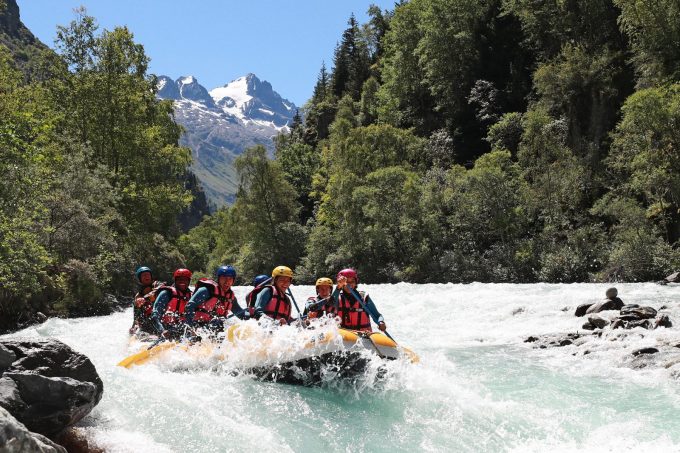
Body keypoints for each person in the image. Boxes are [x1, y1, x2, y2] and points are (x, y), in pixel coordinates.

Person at [184, 265, 248, 332]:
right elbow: (190, 306)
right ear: (218, 278)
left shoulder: (231, 298)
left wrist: (254, 315)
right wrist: (191, 327)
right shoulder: (207, 290)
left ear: (233, 281)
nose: (227, 282)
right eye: (224, 278)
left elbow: (241, 315)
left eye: (230, 279)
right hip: (199, 328)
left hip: (217, 330)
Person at [332, 268, 386, 332]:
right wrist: (338, 288)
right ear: (341, 284)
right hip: (344, 334)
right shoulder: (338, 297)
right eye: (346, 282)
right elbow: (329, 306)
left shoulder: (364, 297)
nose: (349, 284)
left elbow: (377, 315)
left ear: (356, 283)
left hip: (363, 335)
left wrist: (381, 322)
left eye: (352, 281)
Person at [150, 268, 193, 339]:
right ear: (175, 280)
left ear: (189, 281)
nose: (182, 282)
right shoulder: (166, 293)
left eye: (185, 280)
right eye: (180, 279)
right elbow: (155, 314)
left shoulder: (191, 296)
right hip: (165, 328)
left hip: (181, 329)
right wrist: (162, 330)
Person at [130, 266, 164, 335]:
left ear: (151, 276)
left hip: (160, 316)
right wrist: (134, 326)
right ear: (140, 279)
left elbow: (161, 286)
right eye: (143, 275)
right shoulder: (138, 295)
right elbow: (136, 314)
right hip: (148, 321)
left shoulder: (157, 285)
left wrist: (146, 297)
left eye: (148, 274)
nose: (146, 277)